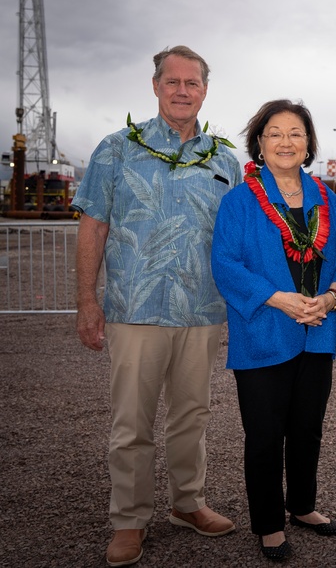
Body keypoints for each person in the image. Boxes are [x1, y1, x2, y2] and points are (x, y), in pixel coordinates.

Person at [72, 46, 240, 567]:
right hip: (134, 308)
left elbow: (238, 237)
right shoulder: (118, 149)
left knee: (192, 414)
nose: (182, 90)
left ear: (205, 90)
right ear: (155, 86)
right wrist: (86, 301)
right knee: (132, 421)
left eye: (192, 83)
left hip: (201, 309)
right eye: (173, 82)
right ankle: (129, 519)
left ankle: (187, 503)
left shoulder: (224, 158)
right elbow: (93, 225)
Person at [211, 100, 336, 562]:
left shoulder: (329, 200)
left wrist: (331, 297)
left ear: (309, 143)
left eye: (296, 133)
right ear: (260, 143)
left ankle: (304, 506)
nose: (286, 142)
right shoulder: (239, 201)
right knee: (266, 433)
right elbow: (225, 264)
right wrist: (280, 299)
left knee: (307, 427)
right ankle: (269, 524)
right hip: (264, 329)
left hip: (317, 330)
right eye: (275, 133)